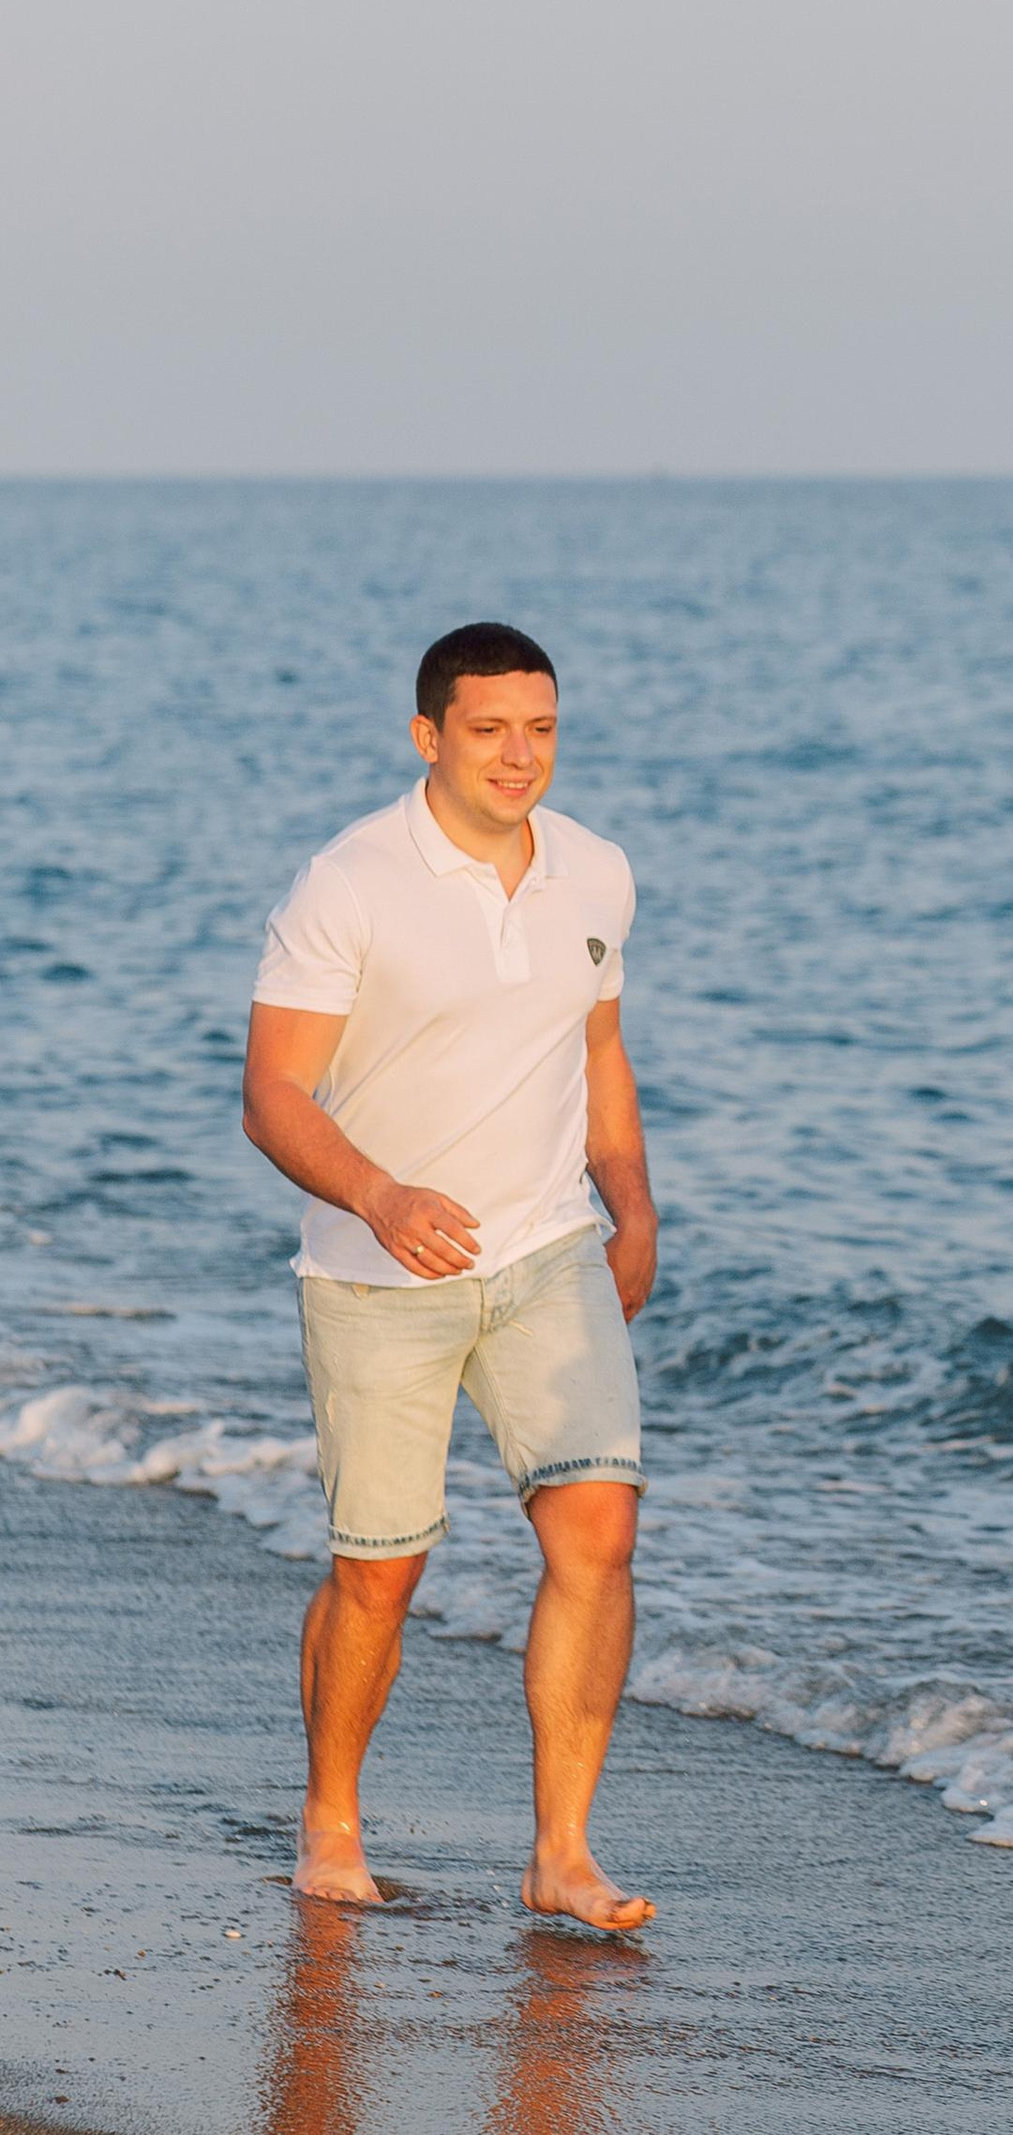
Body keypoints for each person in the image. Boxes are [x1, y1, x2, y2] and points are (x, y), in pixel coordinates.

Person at [242, 622, 658, 1930]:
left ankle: (563, 1852)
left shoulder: (596, 872)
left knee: (600, 1532)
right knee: (382, 1568)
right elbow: (271, 1095)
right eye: (488, 730)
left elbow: (597, 1051)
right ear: (430, 736)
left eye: (539, 728)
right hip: (377, 1271)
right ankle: (332, 1815)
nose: (517, 755)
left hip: (546, 1253)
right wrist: (380, 1192)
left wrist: (632, 1204)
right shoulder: (351, 882)